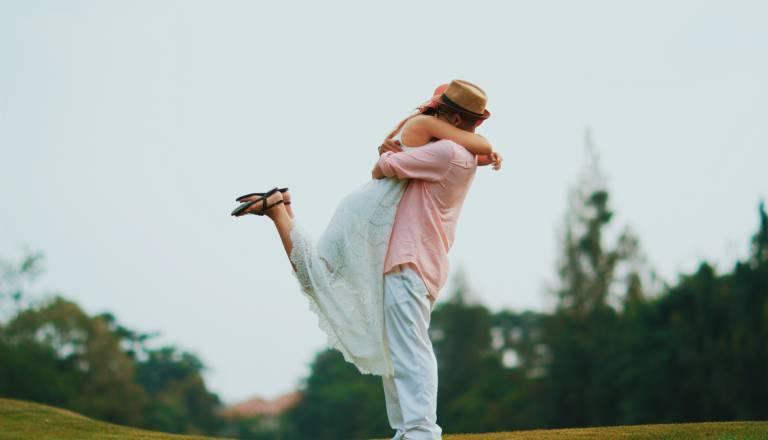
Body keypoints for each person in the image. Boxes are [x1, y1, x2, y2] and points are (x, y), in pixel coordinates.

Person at [231, 80, 501, 440]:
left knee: (406, 347)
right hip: (404, 256)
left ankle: (418, 429)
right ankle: (412, 430)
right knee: (402, 348)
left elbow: (383, 167)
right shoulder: (454, 151)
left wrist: (388, 154)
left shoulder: (448, 153)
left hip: (410, 257)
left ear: (451, 117)